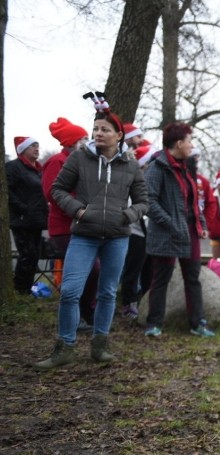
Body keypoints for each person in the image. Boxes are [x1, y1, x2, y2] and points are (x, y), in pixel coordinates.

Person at [35, 100, 149, 369]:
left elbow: (144, 201)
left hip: (118, 237)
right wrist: (78, 211)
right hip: (84, 235)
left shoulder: (130, 166)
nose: (98, 133)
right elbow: (57, 190)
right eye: (95, 128)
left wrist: (128, 215)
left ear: (118, 136)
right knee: (70, 292)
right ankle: (64, 347)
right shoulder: (79, 158)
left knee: (108, 292)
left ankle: (100, 346)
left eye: (105, 129)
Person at [143, 122, 215, 338]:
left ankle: (197, 324)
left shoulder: (189, 168)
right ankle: (154, 324)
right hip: (166, 233)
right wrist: (171, 223)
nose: (192, 145)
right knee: (161, 279)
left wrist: (200, 225)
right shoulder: (157, 168)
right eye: (189, 141)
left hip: (189, 232)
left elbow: (195, 202)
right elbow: (148, 201)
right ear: (178, 143)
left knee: (193, 278)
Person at [41, 117, 99, 327]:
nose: (87, 141)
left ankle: (86, 312)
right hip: (64, 227)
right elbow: (52, 194)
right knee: (85, 270)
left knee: (94, 269)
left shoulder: (84, 162)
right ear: (72, 142)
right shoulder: (57, 162)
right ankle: (77, 315)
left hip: (83, 224)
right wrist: (80, 208)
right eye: (83, 138)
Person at [119, 141, 156, 319]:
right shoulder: (132, 179)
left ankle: (145, 302)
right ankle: (128, 303)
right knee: (133, 269)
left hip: (149, 232)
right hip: (135, 231)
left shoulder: (150, 180)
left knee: (149, 270)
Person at [8, 135, 46, 295]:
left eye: (38, 146)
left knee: (35, 256)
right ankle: (19, 290)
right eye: (33, 146)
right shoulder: (13, 167)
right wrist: (23, 208)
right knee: (26, 255)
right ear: (23, 150)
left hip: (37, 220)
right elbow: (7, 191)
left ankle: (27, 289)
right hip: (21, 220)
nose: (37, 149)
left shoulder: (38, 169)